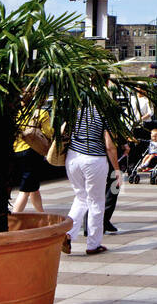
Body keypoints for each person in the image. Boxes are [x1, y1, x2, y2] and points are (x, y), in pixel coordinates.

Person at [65, 82, 123, 255]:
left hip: (73, 157)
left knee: (80, 197)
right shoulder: (104, 112)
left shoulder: (75, 110)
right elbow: (109, 145)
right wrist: (117, 170)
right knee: (96, 201)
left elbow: (63, 131)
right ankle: (93, 244)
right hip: (94, 159)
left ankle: (67, 233)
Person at [10, 91, 51, 214]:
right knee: (25, 190)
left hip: (16, 151)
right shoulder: (41, 113)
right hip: (32, 153)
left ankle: (41, 214)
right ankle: (14, 220)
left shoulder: (16, 113)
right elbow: (48, 133)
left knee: (33, 187)